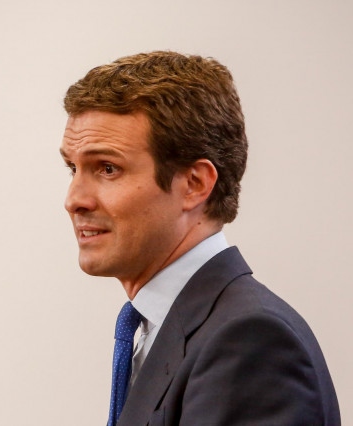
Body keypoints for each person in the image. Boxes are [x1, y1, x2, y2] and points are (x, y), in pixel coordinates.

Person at [60, 51, 340, 425]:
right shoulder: (165, 329)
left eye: (107, 168)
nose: (74, 200)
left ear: (195, 184)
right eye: (72, 168)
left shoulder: (250, 342)